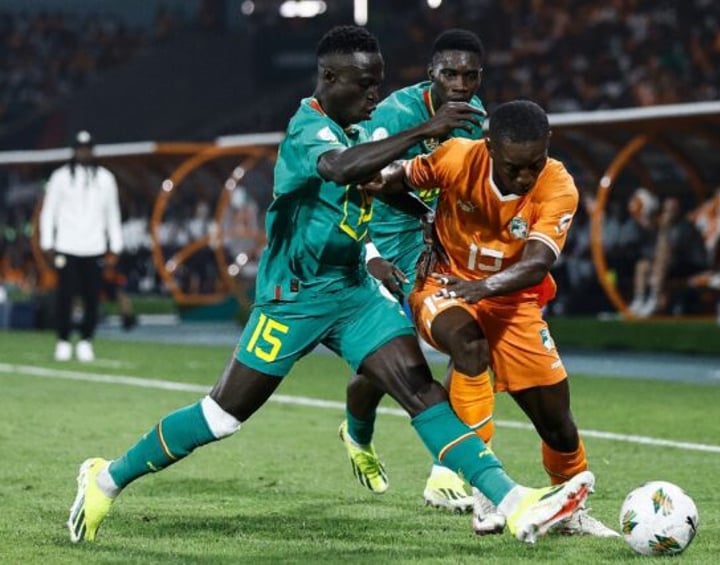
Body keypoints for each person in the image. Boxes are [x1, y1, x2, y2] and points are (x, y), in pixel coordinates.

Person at [66, 26, 594, 546]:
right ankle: (106, 478)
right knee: (222, 417)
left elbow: (376, 184)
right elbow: (340, 169)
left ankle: (510, 499)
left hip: (353, 292)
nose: (374, 96)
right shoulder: (307, 126)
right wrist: (421, 131)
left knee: (422, 392)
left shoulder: (363, 130)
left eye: (379, 84)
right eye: (363, 85)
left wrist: (425, 220)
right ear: (329, 77)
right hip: (294, 297)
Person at [364, 100, 617, 538]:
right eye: (514, 167)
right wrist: (381, 182)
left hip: (512, 303)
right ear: (489, 148)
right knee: (468, 343)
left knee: (557, 421)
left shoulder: (558, 184)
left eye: (533, 164)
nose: (525, 177)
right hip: (443, 284)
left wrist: (485, 288)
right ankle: (487, 493)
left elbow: (538, 261)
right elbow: (399, 177)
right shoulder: (458, 156)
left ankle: (571, 511)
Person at [339, 28, 486, 514]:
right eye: (451, 73)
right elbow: (359, 183)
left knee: (465, 338)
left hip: (431, 251)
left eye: (470, 75)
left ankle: (447, 472)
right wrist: (369, 255)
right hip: (376, 245)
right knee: (390, 365)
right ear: (432, 75)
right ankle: (357, 430)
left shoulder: (477, 121)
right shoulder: (395, 115)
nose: (461, 83)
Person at [39, 130, 123, 362]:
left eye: (87, 148)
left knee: (92, 298)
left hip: (94, 246)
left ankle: (86, 340)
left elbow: (112, 214)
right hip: (66, 245)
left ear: (92, 150)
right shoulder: (60, 177)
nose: (83, 152)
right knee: (65, 296)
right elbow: (49, 212)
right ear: (74, 150)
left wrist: (115, 246)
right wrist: (48, 242)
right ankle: (63, 341)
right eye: (80, 148)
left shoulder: (106, 179)